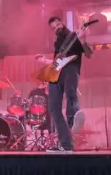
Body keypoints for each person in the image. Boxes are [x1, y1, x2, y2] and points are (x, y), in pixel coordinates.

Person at [35, 16, 93, 152]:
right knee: (54, 110)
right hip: (56, 75)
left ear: (63, 23)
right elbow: (57, 62)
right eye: (53, 28)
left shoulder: (73, 36)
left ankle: (74, 120)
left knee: (70, 92)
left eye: (58, 24)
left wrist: (83, 38)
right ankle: (66, 144)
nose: (56, 28)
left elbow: (89, 54)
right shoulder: (58, 43)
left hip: (69, 71)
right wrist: (44, 61)